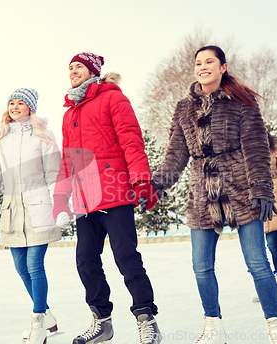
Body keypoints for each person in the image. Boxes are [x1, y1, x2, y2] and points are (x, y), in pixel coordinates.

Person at [152, 45, 277, 344]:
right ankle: (213, 325)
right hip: (202, 193)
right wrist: (158, 183)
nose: (202, 66)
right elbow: (176, 154)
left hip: (240, 190)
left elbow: (256, 149)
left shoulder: (242, 102)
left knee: (258, 264)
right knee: (201, 267)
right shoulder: (183, 109)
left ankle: (273, 325)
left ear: (223, 67)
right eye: (198, 62)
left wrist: (262, 188)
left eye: (209, 61)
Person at [52, 52, 162, 344]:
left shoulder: (113, 99)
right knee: (86, 261)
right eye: (70, 68)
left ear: (92, 72)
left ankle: (145, 318)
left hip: (114, 192)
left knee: (126, 258)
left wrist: (141, 179)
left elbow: (131, 139)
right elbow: (67, 160)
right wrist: (61, 198)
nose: (72, 71)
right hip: (86, 199)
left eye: (78, 67)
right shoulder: (69, 113)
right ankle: (102, 322)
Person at [0, 88, 62, 344]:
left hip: (40, 209)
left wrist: (61, 205)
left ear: (30, 107)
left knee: (35, 264)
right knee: (21, 268)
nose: (15, 106)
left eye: (21, 102)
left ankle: (38, 322)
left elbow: (55, 174)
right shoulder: (0, 139)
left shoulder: (43, 136)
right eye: (12, 102)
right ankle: (48, 316)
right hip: (12, 213)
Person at [251, 131, 277, 303]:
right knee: (257, 247)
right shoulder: (243, 147)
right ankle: (265, 286)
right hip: (254, 199)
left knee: (272, 243)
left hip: (275, 198)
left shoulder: (273, 145)